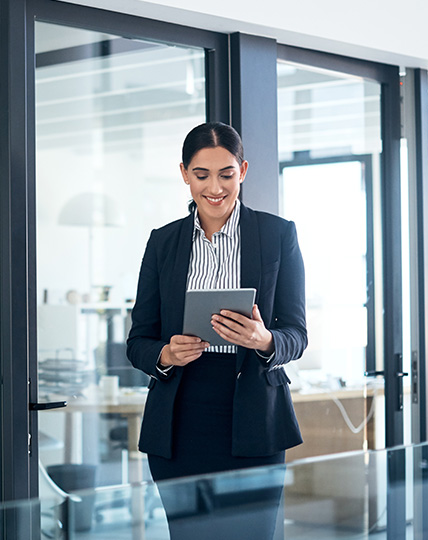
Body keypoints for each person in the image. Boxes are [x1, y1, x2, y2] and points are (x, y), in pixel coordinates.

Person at [126, 122, 306, 539]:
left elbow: (296, 332)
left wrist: (265, 341)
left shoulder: (277, 235)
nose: (215, 187)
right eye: (202, 174)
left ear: (242, 170)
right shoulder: (163, 242)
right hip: (180, 421)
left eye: (226, 174)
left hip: (254, 419)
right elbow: (138, 341)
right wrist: (166, 355)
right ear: (185, 174)